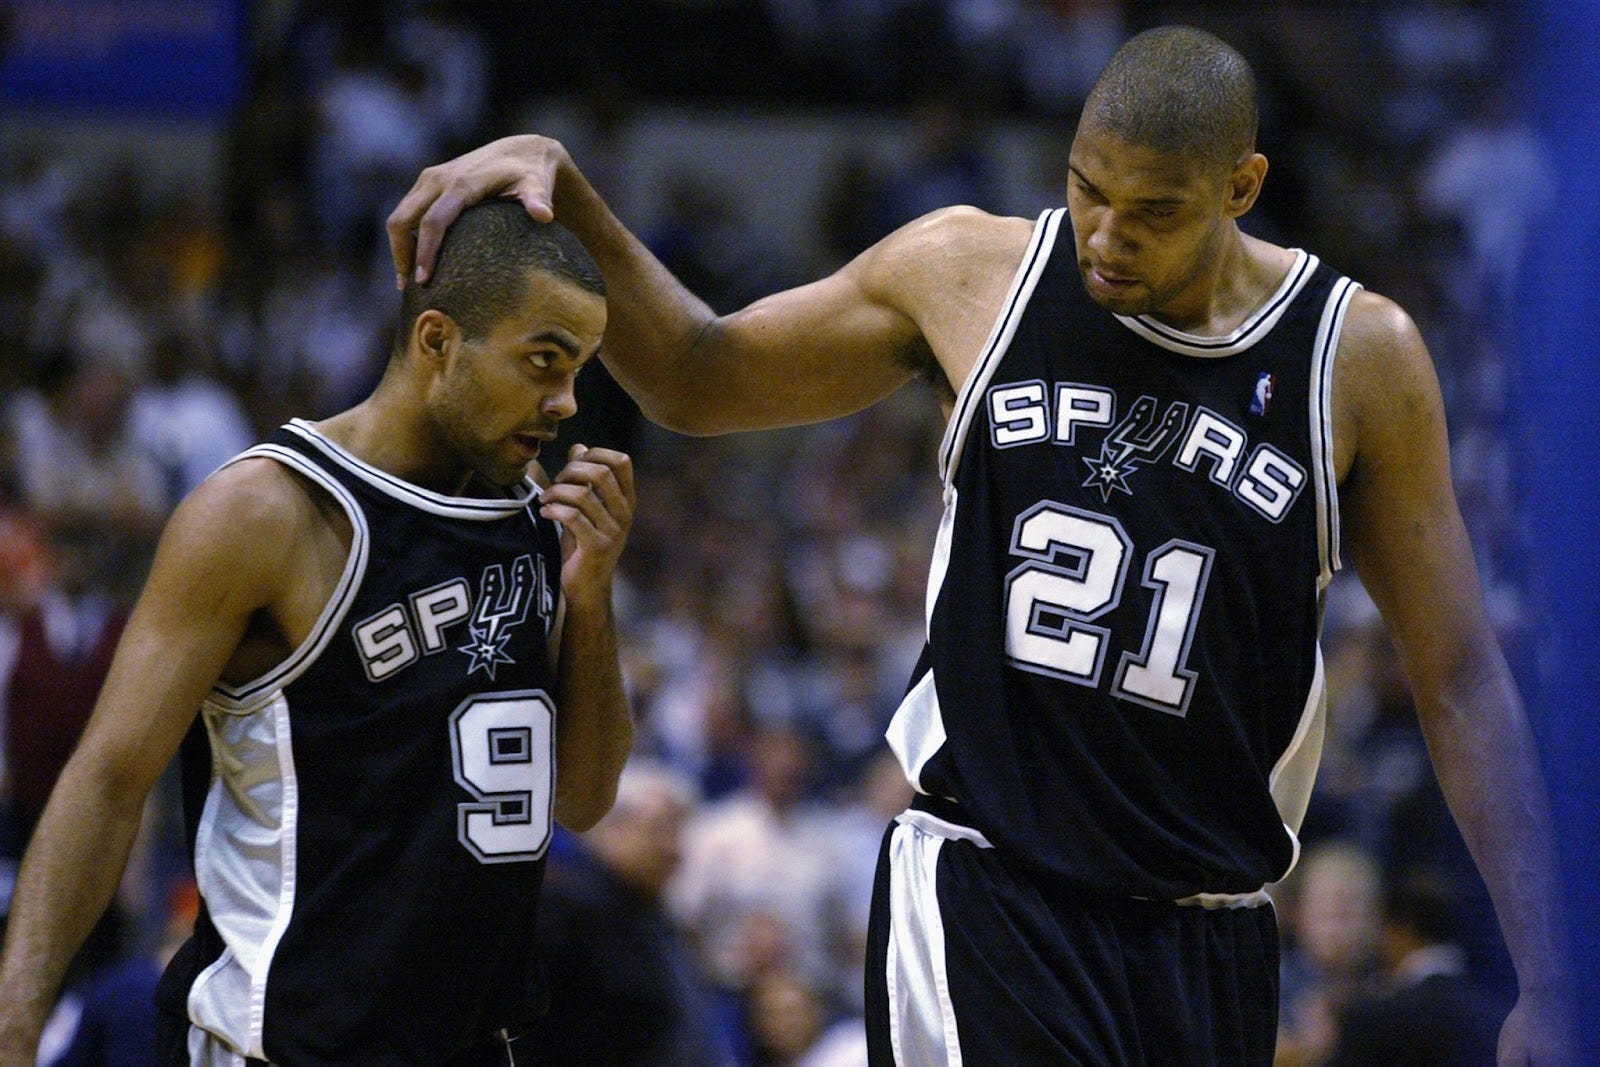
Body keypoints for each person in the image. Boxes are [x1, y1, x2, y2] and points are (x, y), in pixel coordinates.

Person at [385, 26, 1571, 1065]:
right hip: (987, 887)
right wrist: (572, 196)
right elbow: (700, 373)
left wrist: (1551, 972)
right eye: (1085, 186)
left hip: (1210, 930)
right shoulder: (973, 268)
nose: (1105, 233)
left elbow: (1459, 671)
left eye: (1151, 209)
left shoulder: (1356, 354)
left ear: (1241, 186)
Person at [0, 200, 637, 1064]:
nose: (565, 403)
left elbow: (585, 797)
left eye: (579, 370)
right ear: (438, 340)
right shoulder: (267, 510)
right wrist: (14, 1020)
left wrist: (591, 601)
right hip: (287, 1044)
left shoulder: (529, 515)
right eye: (543, 361)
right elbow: (109, 775)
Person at [529, 759, 734, 1066]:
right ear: (611, 828)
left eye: (678, 833)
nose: (673, 849)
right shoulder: (566, 910)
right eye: (660, 831)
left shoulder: (657, 917)